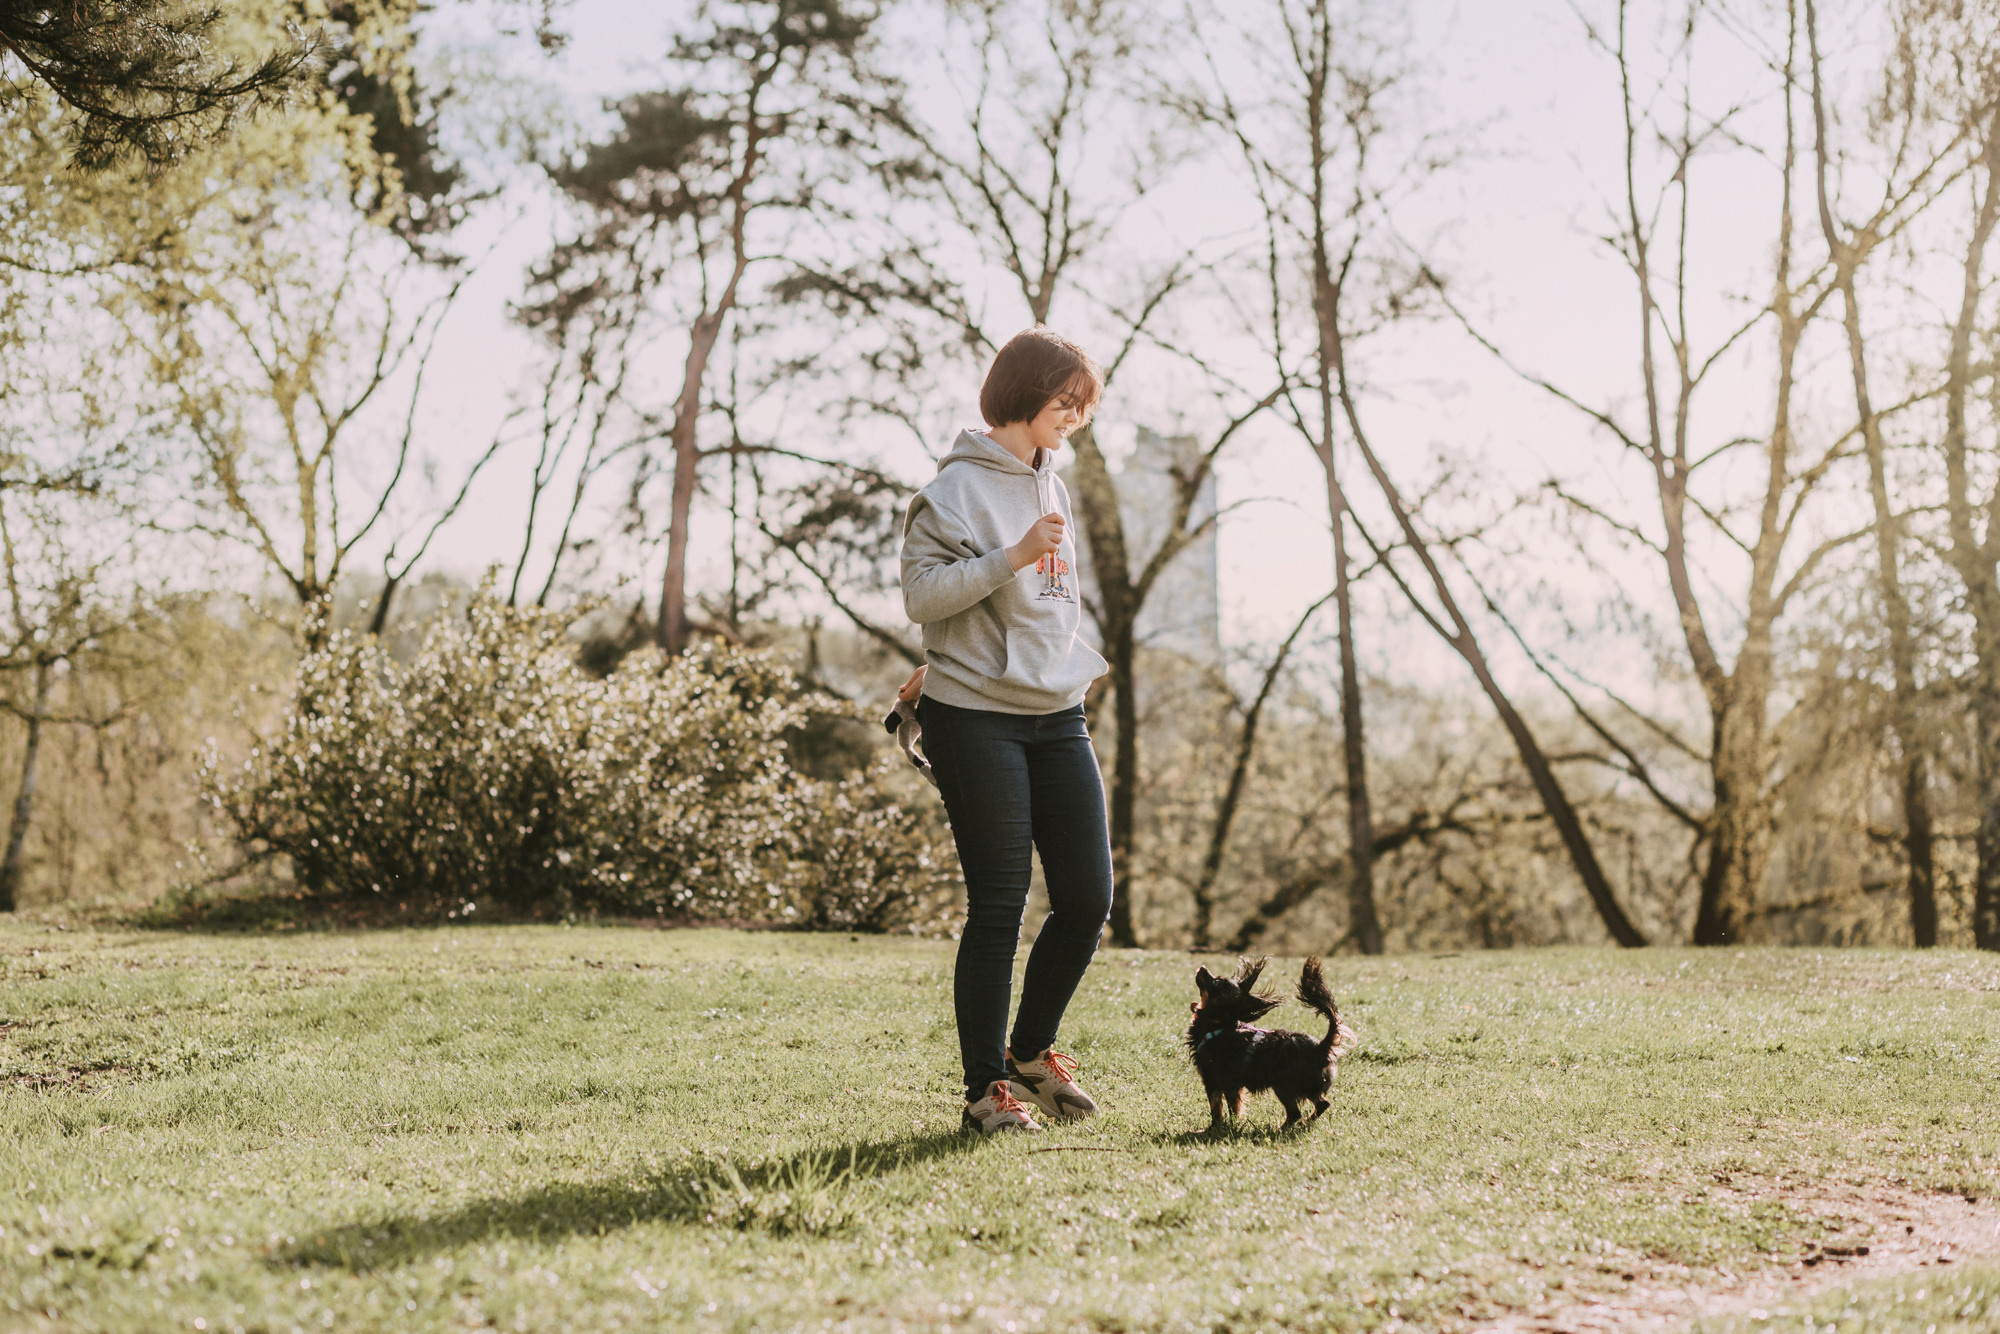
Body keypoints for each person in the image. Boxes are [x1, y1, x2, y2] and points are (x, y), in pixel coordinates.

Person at [898, 326, 1115, 1134]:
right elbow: (924, 597)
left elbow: (1038, 608)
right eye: (1067, 402)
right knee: (1000, 903)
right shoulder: (952, 492)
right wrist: (1013, 556)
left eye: (1083, 406)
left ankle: (1030, 1052)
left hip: (1056, 711)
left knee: (1089, 895)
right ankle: (986, 1089)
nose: (1076, 418)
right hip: (977, 719)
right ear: (1025, 395)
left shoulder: (1048, 481)